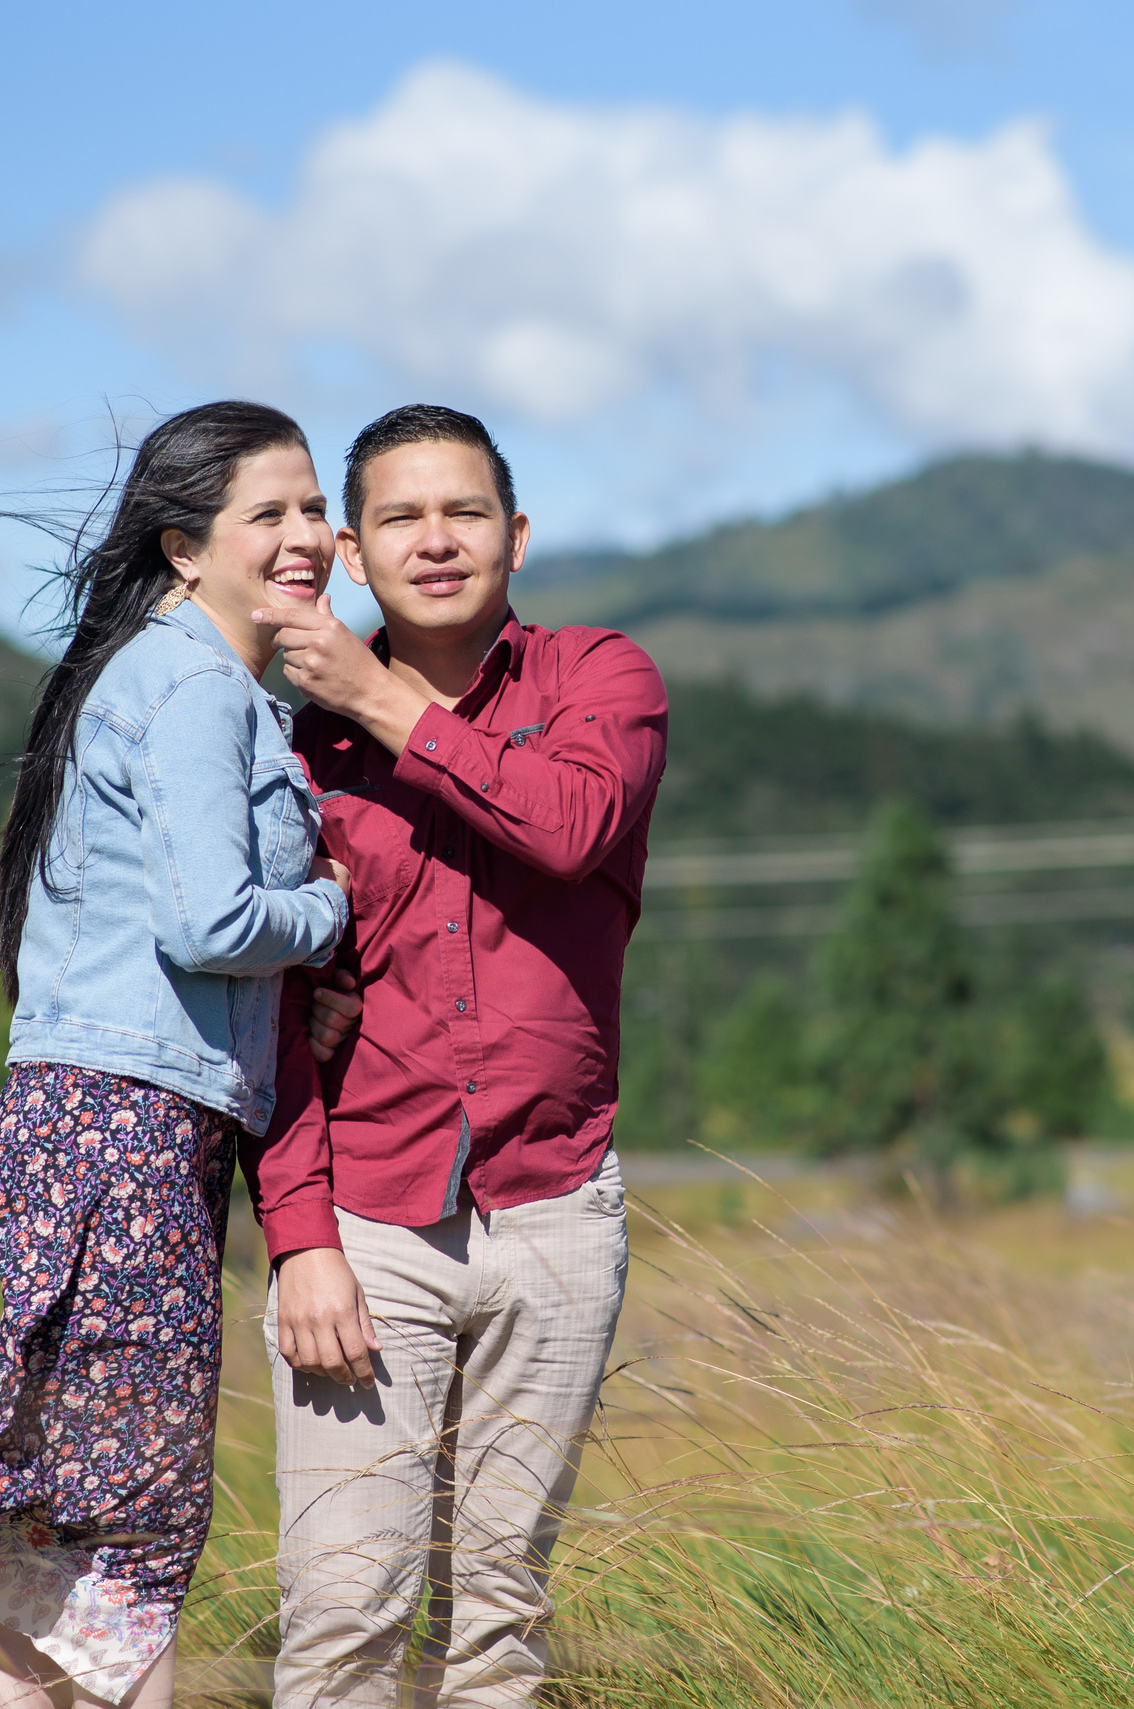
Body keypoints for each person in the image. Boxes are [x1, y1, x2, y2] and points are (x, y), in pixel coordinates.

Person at [0, 401, 354, 1709]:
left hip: (107, 1124)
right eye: (271, 514)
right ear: (185, 547)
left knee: (87, 1499)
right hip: (124, 1128)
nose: (308, 536)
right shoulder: (189, 684)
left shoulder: (188, 680)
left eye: (313, 507)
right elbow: (214, 918)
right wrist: (337, 906)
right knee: (128, 1506)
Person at [248, 405, 668, 1706]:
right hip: (366, 1225)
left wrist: (377, 699)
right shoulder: (287, 744)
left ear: (517, 535)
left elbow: (568, 824)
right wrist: (299, 1232)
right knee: (343, 1613)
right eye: (401, 517)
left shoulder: (603, 678)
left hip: (556, 1208)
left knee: (499, 1626)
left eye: (466, 511)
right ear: (357, 556)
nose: (438, 540)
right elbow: (272, 1003)